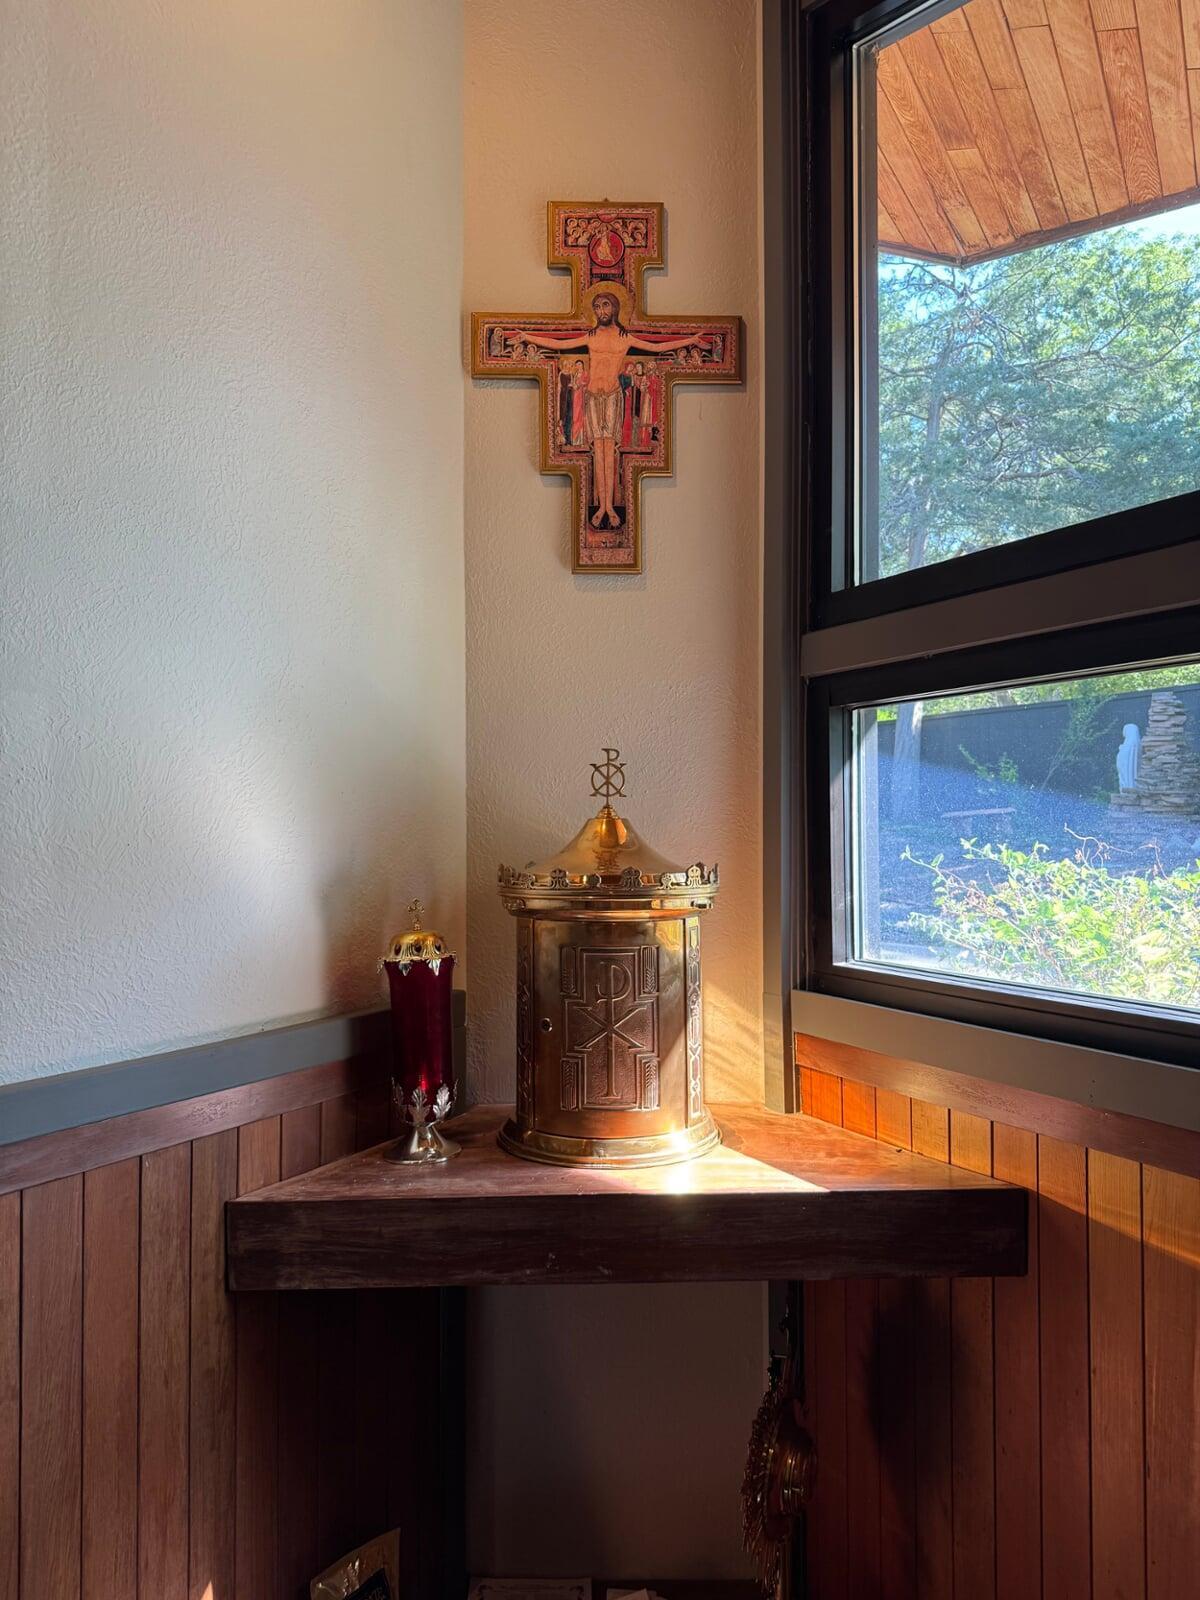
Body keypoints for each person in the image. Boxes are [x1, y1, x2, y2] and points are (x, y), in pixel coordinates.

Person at [510, 293, 710, 529]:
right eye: (596, 307)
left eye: (605, 305)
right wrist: (526, 336)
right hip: (593, 398)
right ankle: (602, 506)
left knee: (610, 453)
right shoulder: (591, 336)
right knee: (598, 450)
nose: (600, 310)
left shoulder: (625, 338)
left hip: (614, 397)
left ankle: (610, 507)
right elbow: (560, 344)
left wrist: (691, 341)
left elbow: (657, 346)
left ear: (615, 308)